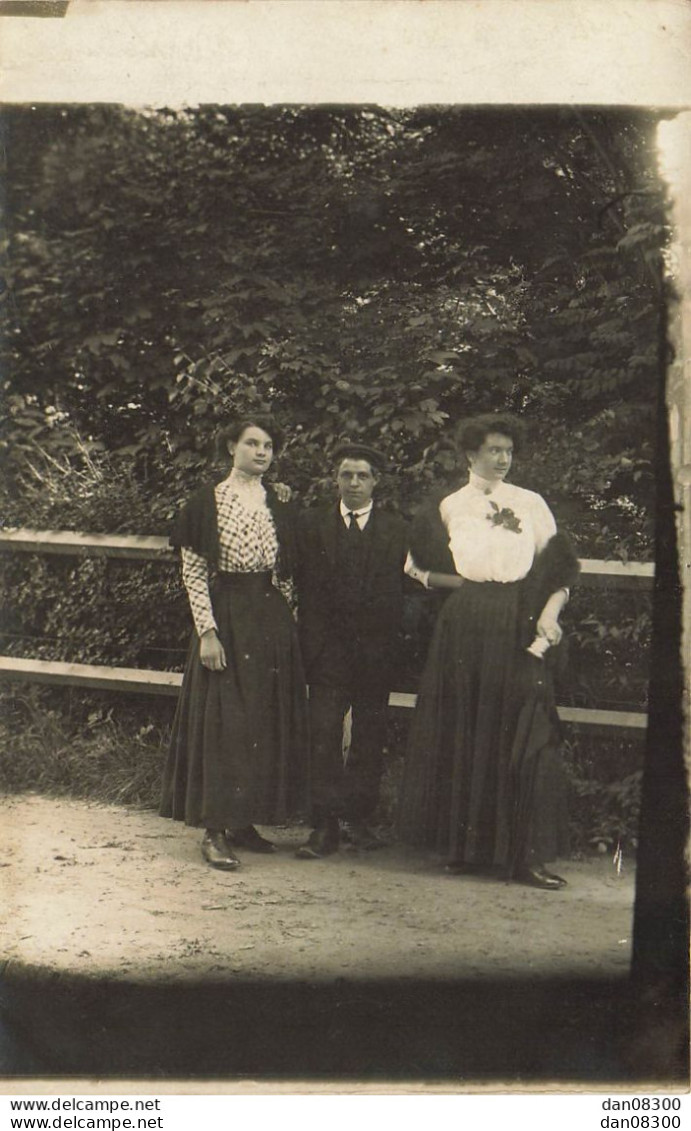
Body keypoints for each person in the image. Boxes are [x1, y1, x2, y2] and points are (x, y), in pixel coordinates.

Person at [399, 414, 580, 890]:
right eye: (493, 450)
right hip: (464, 625)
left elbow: (560, 572)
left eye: (508, 451)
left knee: (526, 729)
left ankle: (525, 856)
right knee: (467, 727)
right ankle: (468, 849)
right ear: (470, 455)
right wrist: (464, 587)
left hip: (519, 620)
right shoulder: (448, 506)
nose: (502, 459)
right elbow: (415, 567)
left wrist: (549, 613)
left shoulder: (531, 503)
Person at [160, 415, 309, 870]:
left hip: (269, 618)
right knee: (226, 723)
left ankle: (244, 822)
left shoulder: (277, 501)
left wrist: (289, 624)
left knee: (262, 721)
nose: (262, 452)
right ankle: (214, 829)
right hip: (226, 615)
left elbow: (284, 573)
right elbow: (194, 572)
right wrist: (208, 632)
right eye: (252, 443)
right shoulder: (205, 502)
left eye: (268, 445)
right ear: (231, 448)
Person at [294, 441, 408, 858]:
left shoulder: (398, 528)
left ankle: (359, 820)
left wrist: (395, 635)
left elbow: (410, 589)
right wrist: (312, 643)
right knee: (322, 733)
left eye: (362, 476)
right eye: (347, 475)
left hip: (376, 653)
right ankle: (323, 826)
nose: (354, 483)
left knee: (369, 735)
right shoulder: (311, 525)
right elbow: (297, 585)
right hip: (326, 654)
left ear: (376, 481)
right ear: (335, 480)